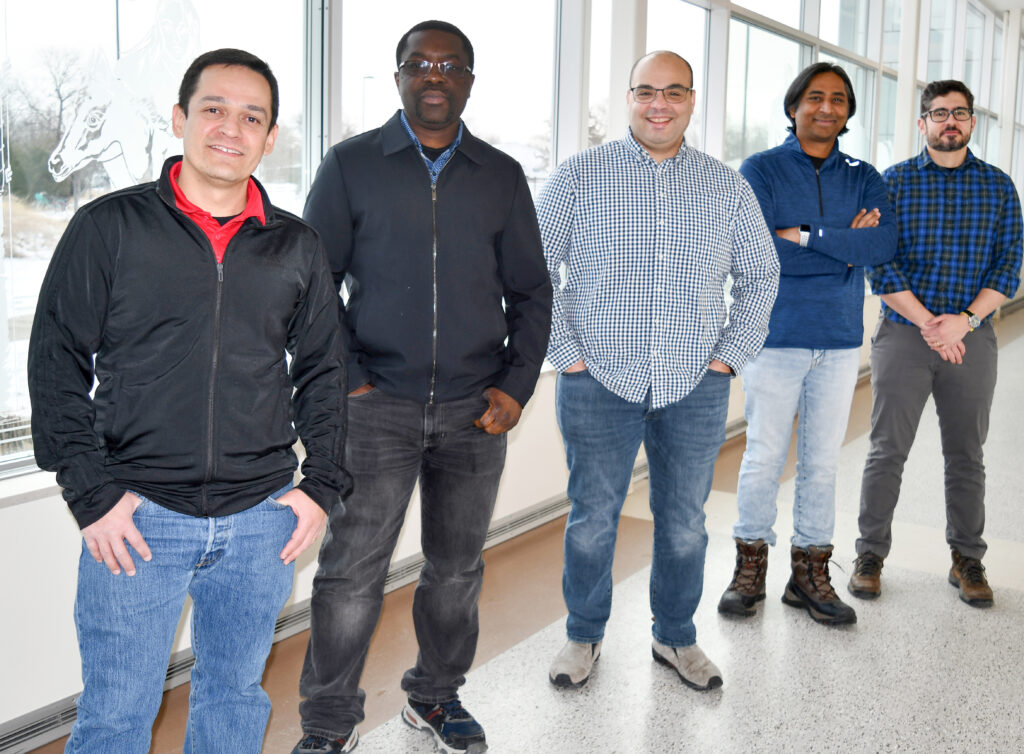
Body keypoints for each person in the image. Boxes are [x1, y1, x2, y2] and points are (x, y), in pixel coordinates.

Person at [28, 49, 349, 753]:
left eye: (251, 116)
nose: (230, 128)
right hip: (137, 519)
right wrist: (90, 493)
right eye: (213, 109)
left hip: (262, 521)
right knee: (116, 714)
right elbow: (54, 363)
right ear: (179, 119)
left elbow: (326, 370)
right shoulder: (108, 229)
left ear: (269, 138)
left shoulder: (295, 245)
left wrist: (320, 485)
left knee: (234, 699)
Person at [292, 20, 551, 754]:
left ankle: (434, 700)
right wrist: (353, 381)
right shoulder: (351, 165)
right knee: (349, 575)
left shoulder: (500, 175)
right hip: (377, 410)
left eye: (451, 65)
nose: (434, 75)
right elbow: (313, 288)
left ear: (470, 80)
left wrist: (516, 385)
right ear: (398, 74)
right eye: (419, 63)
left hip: (477, 411)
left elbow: (533, 292)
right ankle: (326, 727)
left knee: (457, 570)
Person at [538, 51, 779, 692]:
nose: (659, 104)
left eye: (673, 92)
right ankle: (583, 636)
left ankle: (675, 638)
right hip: (597, 382)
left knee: (685, 525)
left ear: (692, 101)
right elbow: (533, 276)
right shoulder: (579, 177)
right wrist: (569, 355)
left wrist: (729, 356)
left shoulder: (725, 186)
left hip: (693, 385)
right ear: (628, 98)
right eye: (646, 91)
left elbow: (760, 277)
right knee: (592, 520)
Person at [717, 63, 896, 626]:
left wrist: (807, 234)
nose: (826, 107)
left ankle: (810, 572)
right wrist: (846, 243)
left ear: (848, 113)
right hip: (775, 336)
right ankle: (750, 567)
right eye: (814, 97)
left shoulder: (864, 175)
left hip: (840, 341)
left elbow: (883, 245)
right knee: (764, 456)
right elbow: (761, 252)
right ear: (794, 107)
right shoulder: (761, 170)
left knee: (821, 463)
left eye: (838, 99)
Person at [849, 79, 1022, 608]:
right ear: (922, 122)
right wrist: (932, 324)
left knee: (966, 454)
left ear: (972, 124)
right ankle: (870, 555)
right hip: (904, 336)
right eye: (940, 113)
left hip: (972, 341)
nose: (951, 121)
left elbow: (1009, 264)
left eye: (960, 113)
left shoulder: (999, 187)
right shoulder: (892, 183)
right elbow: (880, 263)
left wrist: (963, 322)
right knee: (886, 451)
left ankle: (967, 558)